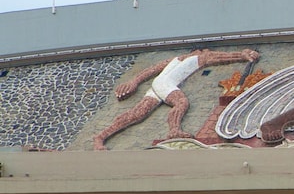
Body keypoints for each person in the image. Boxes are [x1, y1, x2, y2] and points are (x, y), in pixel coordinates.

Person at [94, 49, 260, 150]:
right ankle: (174, 130)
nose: (206, 55)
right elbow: (217, 57)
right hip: (164, 83)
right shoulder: (195, 58)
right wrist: (241, 55)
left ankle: (101, 137)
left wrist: (134, 82)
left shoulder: (174, 60)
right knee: (181, 102)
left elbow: (150, 71)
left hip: (157, 85)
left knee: (137, 114)